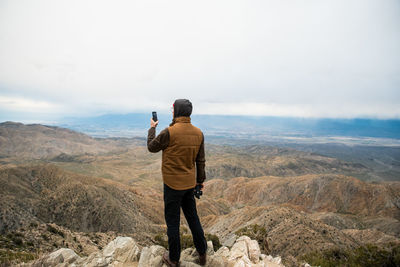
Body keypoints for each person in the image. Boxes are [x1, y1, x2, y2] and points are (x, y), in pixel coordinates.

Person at [147, 99, 207, 267]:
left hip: (172, 185)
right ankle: (202, 254)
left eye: (173, 109)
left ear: (178, 111)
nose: (171, 111)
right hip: (189, 185)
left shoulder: (169, 132)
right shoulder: (199, 133)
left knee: (173, 222)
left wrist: (152, 127)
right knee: (193, 218)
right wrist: (200, 181)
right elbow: (200, 161)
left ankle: (173, 259)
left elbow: (151, 147)